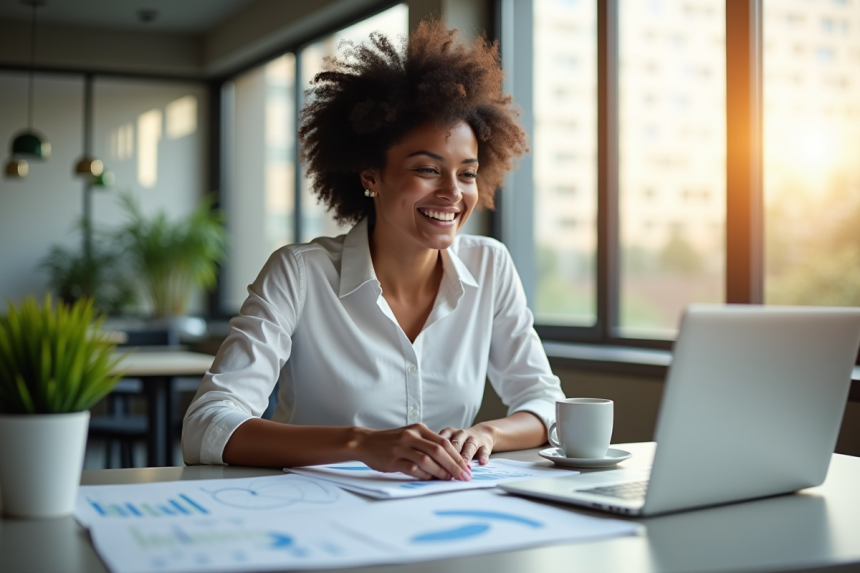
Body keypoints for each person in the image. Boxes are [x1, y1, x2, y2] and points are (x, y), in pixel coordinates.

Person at [181, 20, 565, 481]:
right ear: (371, 176)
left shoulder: (491, 265)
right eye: (427, 169)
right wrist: (361, 444)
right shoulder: (299, 274)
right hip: (314, 518)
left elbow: (546, 404)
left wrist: (487, 434)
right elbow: (207, 426)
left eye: (466, 173)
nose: (453, 192)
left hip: (443, 518)